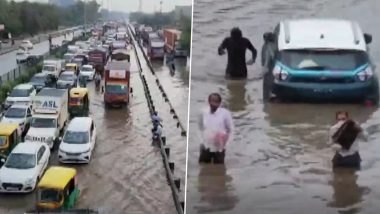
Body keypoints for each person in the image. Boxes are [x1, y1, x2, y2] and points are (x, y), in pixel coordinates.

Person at [198, 93, 233, 164]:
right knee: (203, 167)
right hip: (206, 145)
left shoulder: (225, 114)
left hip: (219, 146)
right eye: (211, 101)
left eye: (216, 102)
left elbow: (230, 130)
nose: (213, 104)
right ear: (208, 101)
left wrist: (225, 145)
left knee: (219, 168)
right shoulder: (203, 112)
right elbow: (200, 127)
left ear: (219, 103)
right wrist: (201, 141)